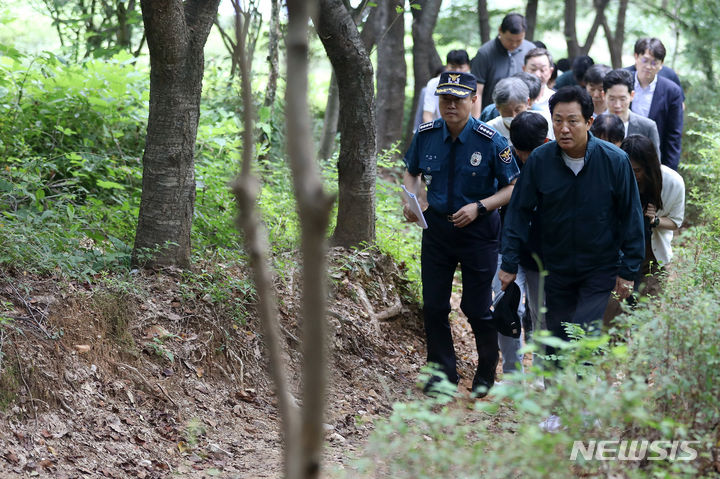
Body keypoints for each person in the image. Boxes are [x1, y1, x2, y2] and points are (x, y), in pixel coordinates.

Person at [499, 86, 645, 364]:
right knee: (557, 334)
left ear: (590, 122)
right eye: (557, 121)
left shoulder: (615, 161)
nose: (564, 129)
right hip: (555, 266)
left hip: (599, 266)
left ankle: (582, 403)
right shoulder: (540, 160)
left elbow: (631, 216)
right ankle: (557, 404)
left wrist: (628, 271)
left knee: (584, 332)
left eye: (572, 121)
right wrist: (508, 262)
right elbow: (518, 212)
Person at [403, 71, 519, 397]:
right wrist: (411, 201)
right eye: (444, 99)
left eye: (457, 99)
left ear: (473, 100)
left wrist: (480, 207)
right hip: (437, 229)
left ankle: (486, 371)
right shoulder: (426, 134)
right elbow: (411, 172)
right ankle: (442, 374)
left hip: (479, 231)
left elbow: (513, 186)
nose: (450, 105)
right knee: (435, 306)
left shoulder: (490, 141)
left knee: (476, 307)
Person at [491, 111, 550, 378]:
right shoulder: (504, 160)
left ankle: (541, 374)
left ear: (546, 140)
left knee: (542, 316)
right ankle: (513, 375)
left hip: (543, 253)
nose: (525, 157)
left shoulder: (557, 161)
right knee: (507, 309)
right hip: (508, 247)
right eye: (520, 150)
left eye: (531, 150)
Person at [603, 135, 685, 325]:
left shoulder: (673, 182)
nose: (634, 175)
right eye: (629, 169)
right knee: (612, 324)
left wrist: (655, 221)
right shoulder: (615, 178)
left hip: (652, 262)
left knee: (647, 324)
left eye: (638, 170)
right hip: (618, 261)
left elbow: (676, 221)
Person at [629, 37, 684, 170]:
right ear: (636, 57)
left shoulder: (672, 91)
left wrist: (669, 170)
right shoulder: (622, 80)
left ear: (661, 64)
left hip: (654, 158)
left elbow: (674, 135)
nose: (648, 67)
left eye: (654, 62)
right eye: (645, 60)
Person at [470, 13, 536, 110]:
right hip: (493, 112)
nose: (514, 44)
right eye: (509, 40)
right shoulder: (485, 53)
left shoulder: (530, 50)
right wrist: (475, 121)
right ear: (500, 30)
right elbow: (477, 91)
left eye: (518, 41)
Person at [603, 68, 661, 159]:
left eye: (622, 99)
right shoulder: (593, 126)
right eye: (612, 99)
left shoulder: (648, 127)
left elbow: (654, 165)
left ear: (631, 96)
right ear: (604, 96)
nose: (617, 105)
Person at [423, 51, 471, 123]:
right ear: (446, 67)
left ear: (468, 67)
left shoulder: (473, 84)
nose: (457, 71)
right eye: (453, 67)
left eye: (461, 67)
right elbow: (427, 114)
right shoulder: (434, 83)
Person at [486, 77, 530, 145]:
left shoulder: (540, 126)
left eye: (517, 110)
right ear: (497, 108)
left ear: (527, 102)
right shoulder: (489, 130)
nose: (513, 116)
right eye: (507, 111)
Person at [522, 48, 555, 113]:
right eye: (533, 69)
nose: (537, 75)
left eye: (542, 70)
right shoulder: (515, 97)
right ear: (524, 69)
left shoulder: (555, 99)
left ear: (550, 72)